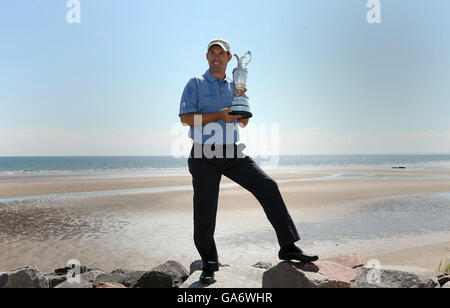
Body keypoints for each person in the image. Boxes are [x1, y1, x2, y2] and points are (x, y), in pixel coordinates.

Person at [179, 38, 318, 284]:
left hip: (232, 152)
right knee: (205, 214)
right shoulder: (195, 83)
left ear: (229, 58)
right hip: (203, 155)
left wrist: (240, 106)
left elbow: (243, 122)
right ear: (207, 57)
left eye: (220, 53)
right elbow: (186, 118)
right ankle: (209, 264)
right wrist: (217, 115)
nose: (216, 57)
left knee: (268, 186)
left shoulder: (235, 85)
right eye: (212, 53)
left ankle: (288, 246)